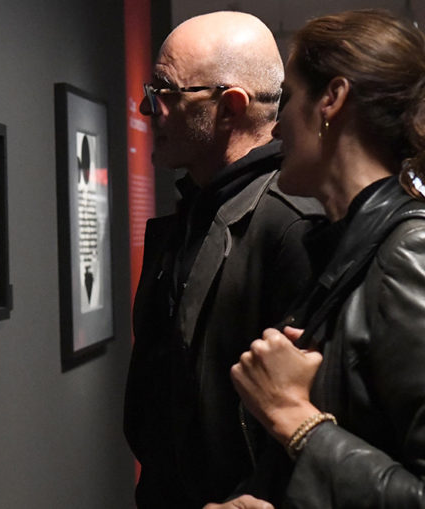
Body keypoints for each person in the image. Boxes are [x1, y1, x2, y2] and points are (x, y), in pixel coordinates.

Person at [123, 11, 323, 508]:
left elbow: (314, 415)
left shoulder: (292, 225)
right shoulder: (198, 208)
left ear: (230, 107)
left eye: (164, 92)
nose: (147, 109)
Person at [230, 9, 425, 508]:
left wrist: (295, 419)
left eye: (289, 98)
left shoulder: (409, 251)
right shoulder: (347, 247)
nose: (276, 130)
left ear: (332, 99)